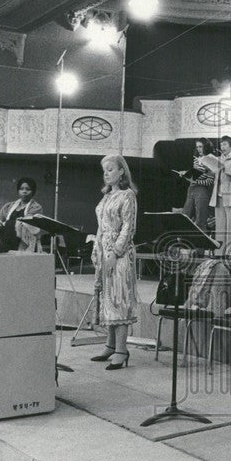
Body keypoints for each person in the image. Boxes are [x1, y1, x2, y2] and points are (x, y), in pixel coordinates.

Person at [90, 155, 139, 370]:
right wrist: (97, 249)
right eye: (104, 170)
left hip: (119, 254)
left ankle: (121, 350)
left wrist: (114, 253)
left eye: (110, 169)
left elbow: (129, 227)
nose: (106, 173)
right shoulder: (107, 196)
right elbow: (101, 227)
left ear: (121, 172)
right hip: (103, 250)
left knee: (119, 299)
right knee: (106, 298)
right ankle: (110, 345)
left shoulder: (127, 196)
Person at [211, 135, 231, 257]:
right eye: (221, 145)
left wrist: (226, 168)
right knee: (220, 225)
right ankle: (219, 251)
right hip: (218, 194)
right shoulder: (218, 158)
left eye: (225, 144)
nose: (222, 147)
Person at [0, 177, 43, 252]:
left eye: (28, 189)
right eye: (21, 189)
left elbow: (27, 225)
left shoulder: (36, 207)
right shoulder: (9, 206)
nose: (24, 191)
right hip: (7, 239)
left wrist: (7, 224)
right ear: (18, 190)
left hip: (25, 244)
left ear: (33, 191)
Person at [182, 139, 215, 233]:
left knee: (201, 220)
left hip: (201, 190)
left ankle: (202, 244)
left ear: (206, 147)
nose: (198, 149)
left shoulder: (210, 159)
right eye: (197, 147)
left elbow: (209, 181)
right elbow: (196, 173)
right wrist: (186, 174)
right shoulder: (196, 158)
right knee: (185, 215)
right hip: (191, 188)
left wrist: (196, 182)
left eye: (200, 146)